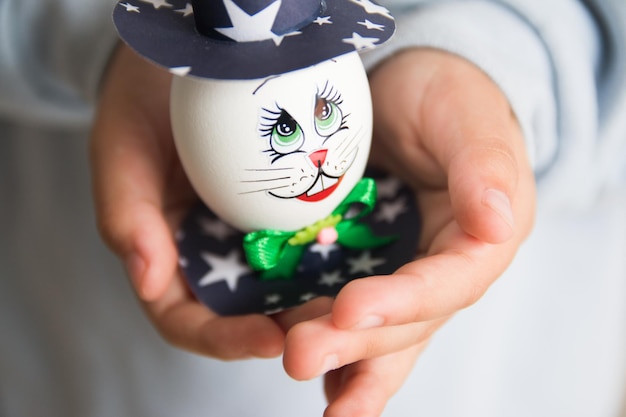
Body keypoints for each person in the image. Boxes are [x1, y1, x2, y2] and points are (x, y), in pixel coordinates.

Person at [1, 1, 625, 417]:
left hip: (511, 366)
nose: (321, 156)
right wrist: (100, 44)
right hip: (82, 356)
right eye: (284, 131)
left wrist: (510, 52)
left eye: (327, 116)